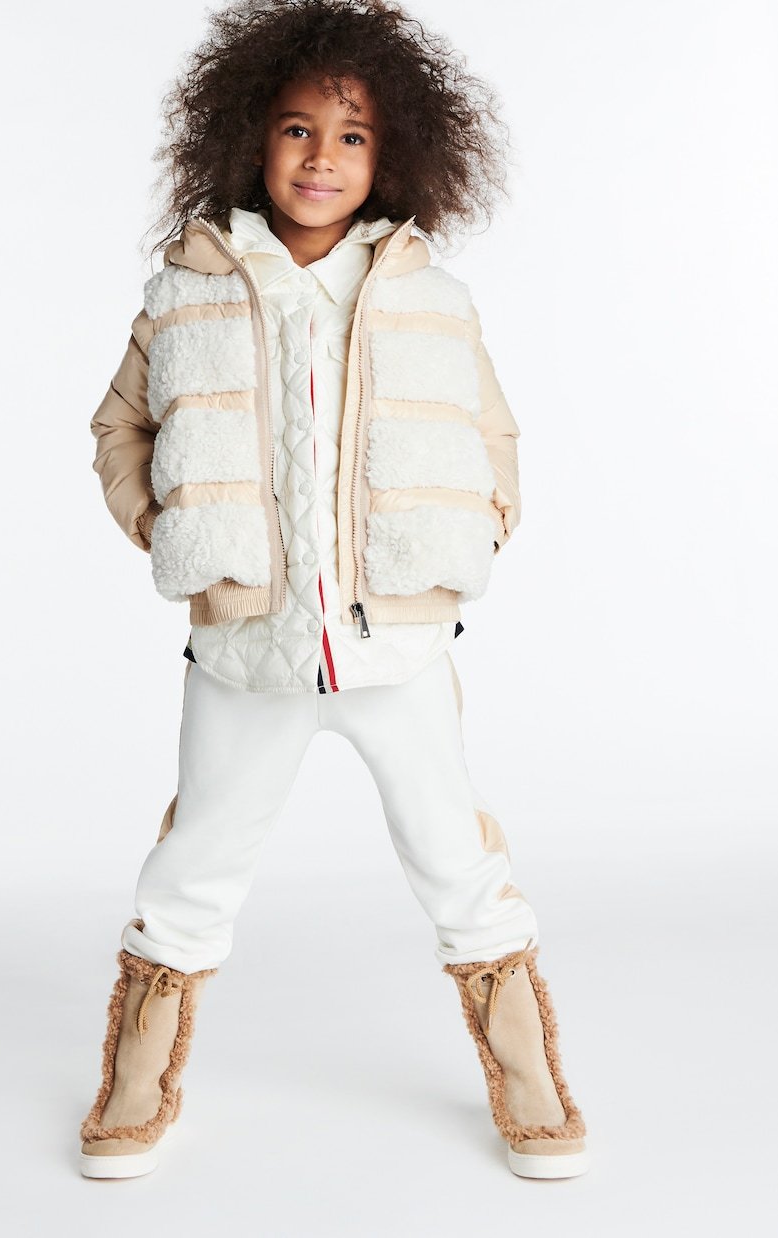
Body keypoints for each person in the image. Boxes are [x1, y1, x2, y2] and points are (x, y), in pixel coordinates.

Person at [78, 0, 588, 1182]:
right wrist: (168, 529)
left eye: (351, 135)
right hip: (244, 648)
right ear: (249, 138)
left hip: (395, 650)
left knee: (455, 855)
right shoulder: (186, 289)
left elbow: (491, 434)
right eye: (296, 129)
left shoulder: (427, 293)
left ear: (391, 151)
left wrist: (470, 534)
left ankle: (524, 1064)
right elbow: (119, 427)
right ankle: (137, 1070)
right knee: (193, 863)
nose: (320, 157)